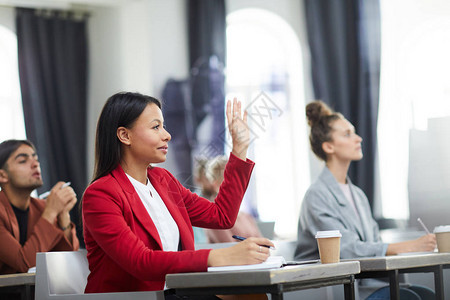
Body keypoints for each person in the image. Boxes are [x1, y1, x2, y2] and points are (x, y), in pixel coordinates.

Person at [82, 92, 273, 297]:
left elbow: (222, 215)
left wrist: (240, 148)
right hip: (135, 296)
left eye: (163, 126)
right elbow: (140, 262)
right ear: (124, 135)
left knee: (253, 295)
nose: (167, 135)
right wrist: (218, 256)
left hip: (175, 293)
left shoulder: (163, 181)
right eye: (156, 127)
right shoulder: (100, 194)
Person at [294, 101, 437, 299]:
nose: (358, 138)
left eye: (354, 132)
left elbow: (373, 242)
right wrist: (409, 246)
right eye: (347, 134)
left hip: (367, 284)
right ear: (328, 146)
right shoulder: (316, 196)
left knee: (426, 294)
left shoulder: (358, 195)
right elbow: (344, 249)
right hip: (338, 289)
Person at [0, 139, 79, 275]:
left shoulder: (41, 207)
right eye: (23, 161)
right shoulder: (47, 210)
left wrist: (63, 215)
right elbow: (25, 264)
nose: (35, 164)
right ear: (2, 175)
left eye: (35, 158)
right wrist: (51, 212)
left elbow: (67, 262)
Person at [195, 155, 263, 243]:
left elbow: (263, 244)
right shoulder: (215, 217)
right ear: (216, 184)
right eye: (233, 181)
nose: (238, 185)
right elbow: (232, 249)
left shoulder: (246, 216)